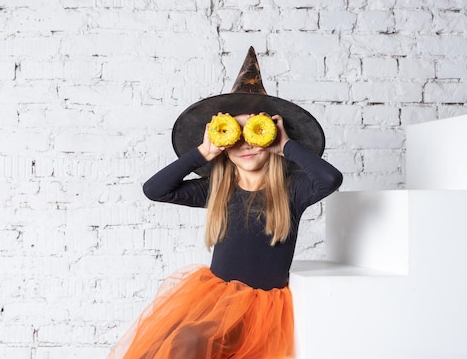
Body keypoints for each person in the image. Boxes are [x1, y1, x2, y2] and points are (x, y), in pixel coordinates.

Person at [107, 47, 343, 359]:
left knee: (190, 341)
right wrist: (203, 152)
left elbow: (330, 179)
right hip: (215, 298)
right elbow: (155, 189)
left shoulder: (291, 190)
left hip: (261, 308)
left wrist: (285, 145)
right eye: (236, 135)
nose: (246, 144)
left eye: (256, 133)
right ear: (224, 145)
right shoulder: (219, 189)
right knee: (164, 344)